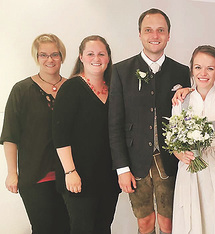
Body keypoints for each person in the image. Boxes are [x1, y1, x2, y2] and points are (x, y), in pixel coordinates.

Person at [108, 8, 191, 234]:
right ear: (140, 34)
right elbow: (114, 124)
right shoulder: (121, 71)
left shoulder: (182, 71)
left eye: (160, 30)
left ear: (168, 35)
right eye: (148, 30)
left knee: (169, 223)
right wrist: (121, 169)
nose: (155, 35)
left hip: (171, 161)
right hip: (135, 162)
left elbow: (187, 117)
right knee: (145, 223)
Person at [0, 33, 70, 234]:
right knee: (44, 229)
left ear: (62, 56)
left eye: (55, 54)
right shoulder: (21, 90)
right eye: (43, 55)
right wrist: (12, 173)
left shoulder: (73, 88)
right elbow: (10, 136)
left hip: (69, 176)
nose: (50, 60)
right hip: (35, 177)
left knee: (70, 228)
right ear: (37, 58)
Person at [171, 45, 215, 234]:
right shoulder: (181, 100)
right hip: (191, 163)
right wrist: (179, 153)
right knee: (194, 214)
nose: (203, 73)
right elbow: (173, 136)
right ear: (191, 70)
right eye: (198, 67)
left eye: (210, 68)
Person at [52, 35, 120, 234]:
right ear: (81, 57)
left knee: (103, 228)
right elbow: (60, 133)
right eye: (90, 54)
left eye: (101, 53)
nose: (96, 58)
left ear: (108, 58)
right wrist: (70, 172)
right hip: (78, 177)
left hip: (108, 177)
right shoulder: (71, 88)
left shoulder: (114, 89)